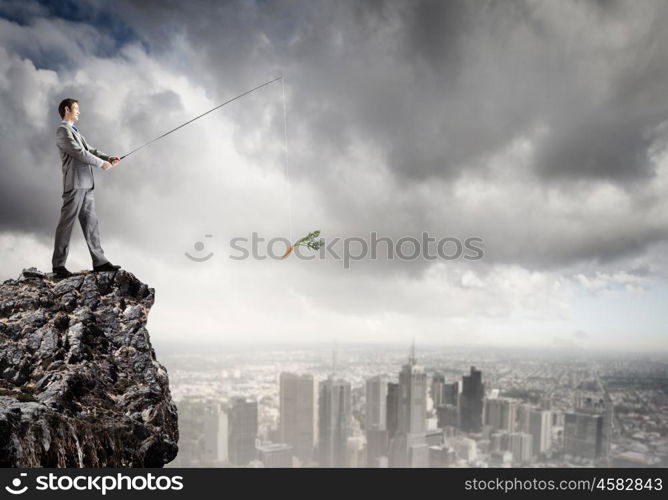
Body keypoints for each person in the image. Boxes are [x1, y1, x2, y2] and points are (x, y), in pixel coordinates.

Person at [51, 98, 121, 277]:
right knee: (66, 224)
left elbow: (90, 149)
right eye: (76, 109)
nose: (79, 112)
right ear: (66, 109)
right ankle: (58, 265)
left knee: (91, 224)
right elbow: (78, 153)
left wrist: (108, 158)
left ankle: (100, 262)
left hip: (87, 185)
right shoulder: (62, 131)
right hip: (74, 184)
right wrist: (101, 164)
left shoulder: (75, 131)